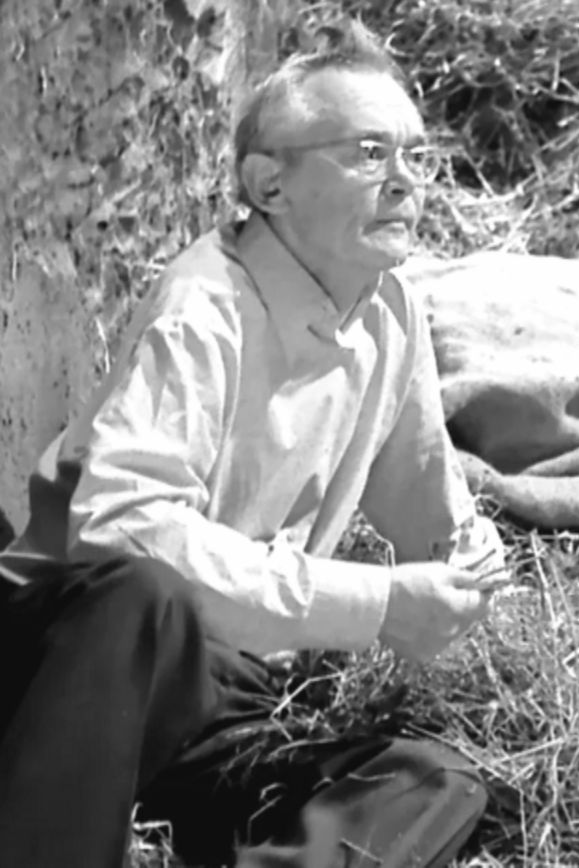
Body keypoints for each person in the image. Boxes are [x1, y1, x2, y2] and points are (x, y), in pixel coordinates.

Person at [0, 21, 512, 868]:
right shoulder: (204, 309)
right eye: (370, 153)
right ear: (269, 184)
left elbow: (428, 502)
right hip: (76, 667)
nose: (405, 181)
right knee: (142, 593)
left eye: (416, 157)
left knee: (433, 782)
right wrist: (377, 605)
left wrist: (467, 565)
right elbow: (119, 529)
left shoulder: (390, 309)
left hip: (226, 704)